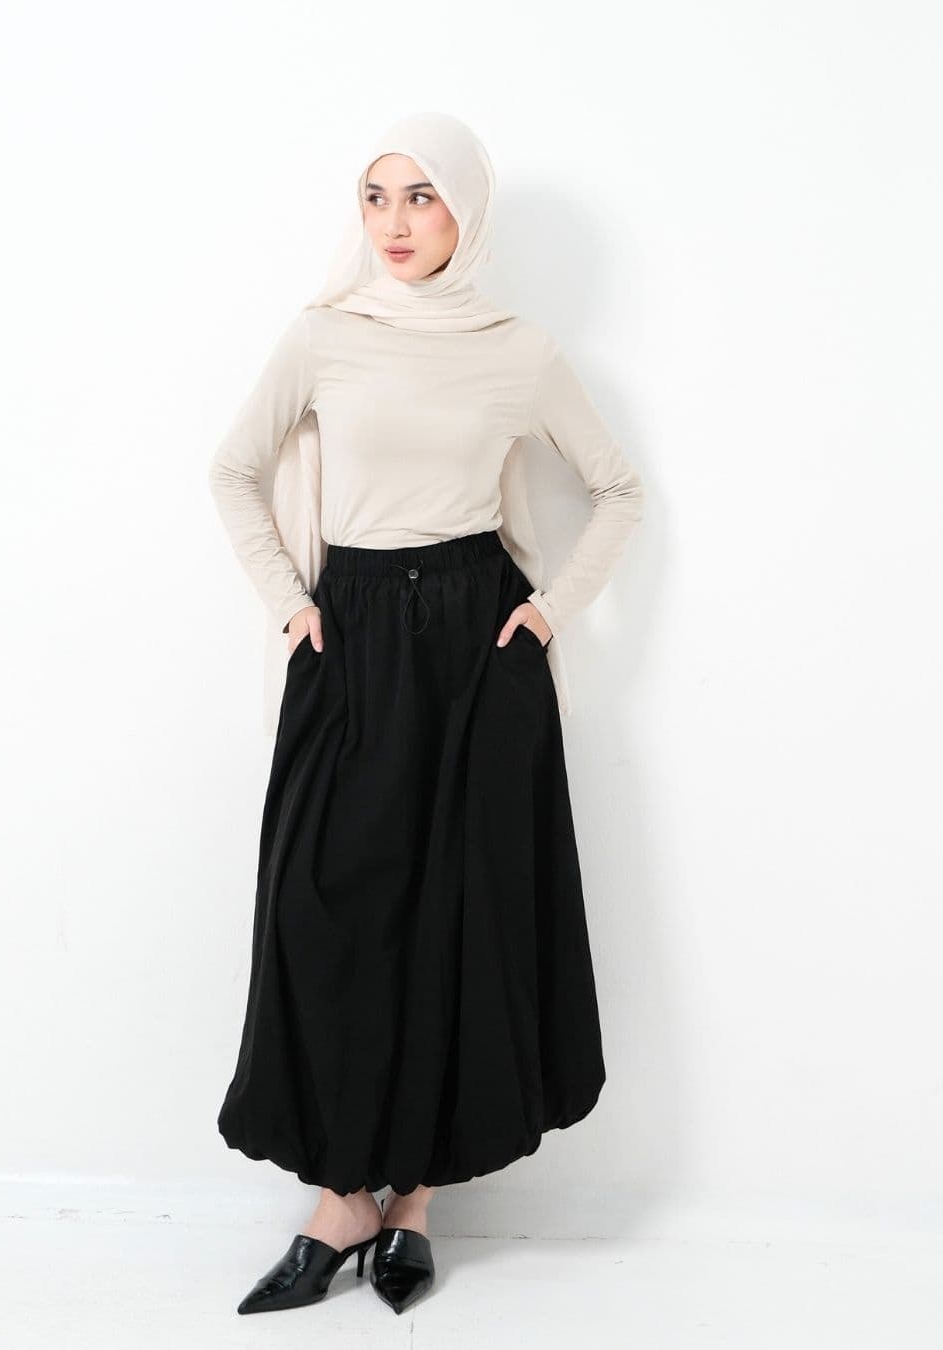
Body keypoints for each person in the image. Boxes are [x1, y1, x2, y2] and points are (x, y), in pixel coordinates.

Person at [206, 110, 644, 1316]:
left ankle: (412, 1207)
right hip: (349, 639)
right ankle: (342, 1195)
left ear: (465, 211)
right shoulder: (325, 334)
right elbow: (233, 469)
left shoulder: (518, 350)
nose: (395, 224)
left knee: (460, 915)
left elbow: (618, 490)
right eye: (376, 196)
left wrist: (546, 613)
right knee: (326, 908)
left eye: (422, 196)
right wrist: (290, 605)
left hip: (474, 646)